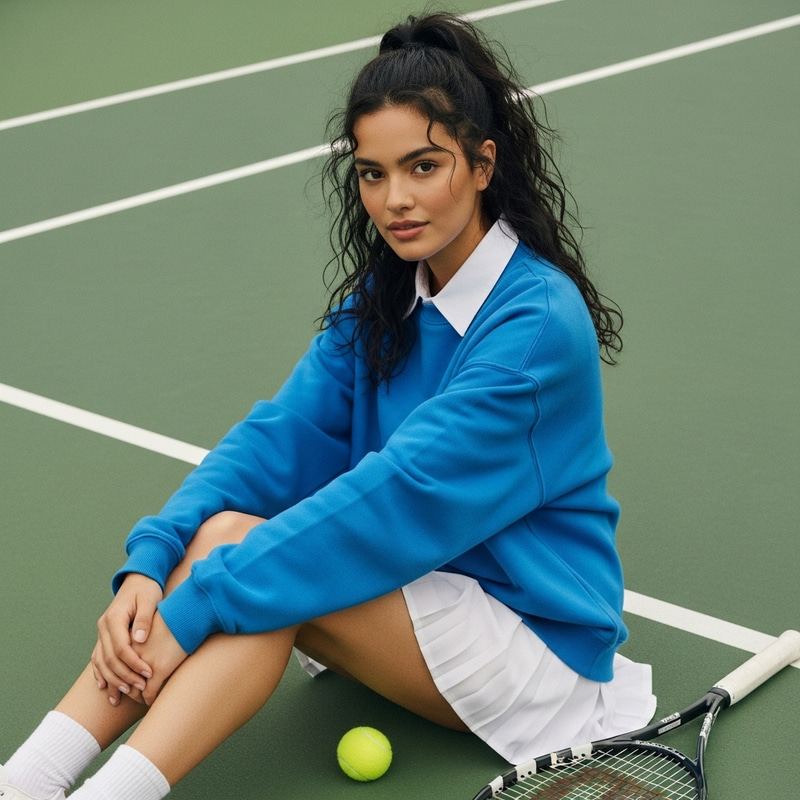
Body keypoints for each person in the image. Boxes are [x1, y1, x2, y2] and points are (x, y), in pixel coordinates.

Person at [1, 12, 656, 800]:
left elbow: (396, 498)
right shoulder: (386, 298)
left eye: (422, 166)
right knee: (228, 544)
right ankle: (28, 782)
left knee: (248, 567)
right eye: (372, 173)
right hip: (417, 589)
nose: (395, 200)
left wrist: (196, 601)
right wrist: (152, 556)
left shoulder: (534, 328)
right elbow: (280, 439)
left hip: (530, 638)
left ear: (484, 166)